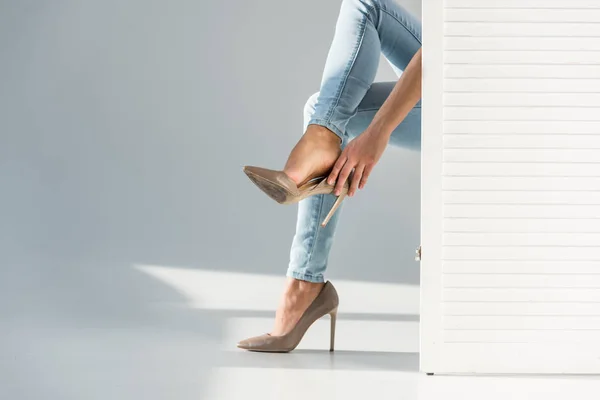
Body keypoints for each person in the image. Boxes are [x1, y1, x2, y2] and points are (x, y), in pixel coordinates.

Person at [238, 0, 422, 352]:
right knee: (364, 9)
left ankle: (304, 286)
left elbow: (451, 46)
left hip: (487, 95)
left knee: (329, 116)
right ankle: (320, 140)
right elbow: (447, 44)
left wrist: (378, 134)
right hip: (464, 59)